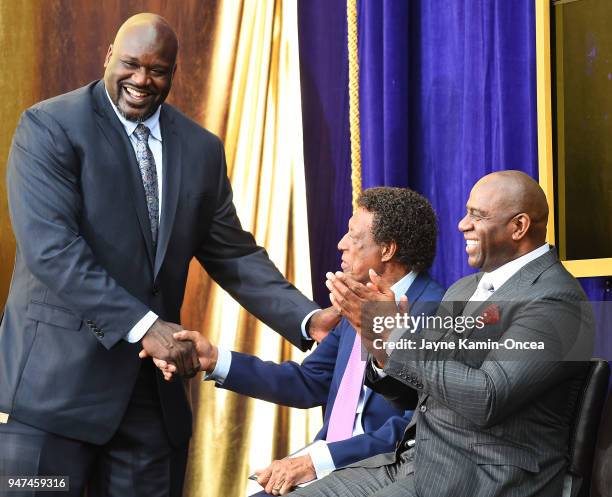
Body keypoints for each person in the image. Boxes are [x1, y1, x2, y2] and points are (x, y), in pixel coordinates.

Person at [0, 13, 337, 497]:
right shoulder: (50, 126)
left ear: (174, 72)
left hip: (150, 404)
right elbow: (52, 250)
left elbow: (234, 255)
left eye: (157, 70)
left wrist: (307, 321)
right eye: (131, 64)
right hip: (52, 397)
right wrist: (146, 326)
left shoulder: (200, 149)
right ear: (108, 57)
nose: (142, 80)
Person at [289, 171, 593, 497]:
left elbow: (487, 398)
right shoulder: (464, 289)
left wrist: (397, 336)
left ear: (518, 227)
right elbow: (418, 392)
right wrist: (377, 343)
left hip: (481, 478)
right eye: (466, 212)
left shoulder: (557, 302)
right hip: (415, 462)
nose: (462, 224)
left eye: (477, 216)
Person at [156, 187, 445, 496]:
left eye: (353, 237)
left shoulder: (436, 311)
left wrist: (316, 461)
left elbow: (416, 428)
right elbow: (308, 381)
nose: (341, 244)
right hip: (325, 463)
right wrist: (215, 359)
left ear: (387, 250)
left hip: (381, 474)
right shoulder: (355, 300)